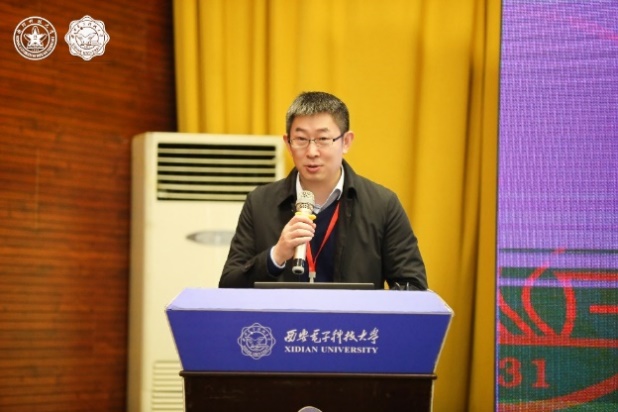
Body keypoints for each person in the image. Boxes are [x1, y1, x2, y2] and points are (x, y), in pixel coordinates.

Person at [219, 91, 427, 290]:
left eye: (323, 139)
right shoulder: (259, 203)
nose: (312, 152)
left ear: (346, 142)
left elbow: (413, 285)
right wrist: (276, 255)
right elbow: (229, 285)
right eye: (301, 139)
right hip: (285, 317)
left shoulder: (382, 205)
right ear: (288, 144)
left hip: (350, 317)